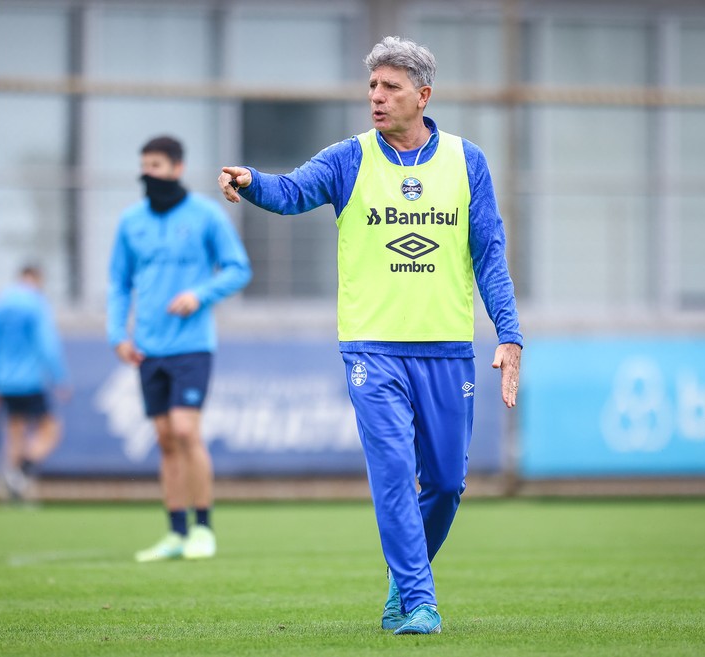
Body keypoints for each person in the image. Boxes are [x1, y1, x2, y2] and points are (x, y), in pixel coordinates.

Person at [218, 36, 523, 635]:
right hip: (371, 347)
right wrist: (253, 180)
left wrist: (508, 334)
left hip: (445, 348)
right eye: (372, 87)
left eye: (390, 88)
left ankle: (401, 580)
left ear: (423, 95)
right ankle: (419, 599)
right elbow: (292, 192)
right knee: (391, 471)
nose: (376, 98)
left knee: (444, 482)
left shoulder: (468, 161)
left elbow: (489, 254)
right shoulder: (348, 159)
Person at [108, 135, 252, 562]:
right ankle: (174, 532)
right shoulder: (130, 221)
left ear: (176, 168)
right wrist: (117, 334)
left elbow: (238, 269)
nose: (148, 173)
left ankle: (203, 528)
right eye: (144, 165)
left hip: (192, 344)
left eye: (156, 165)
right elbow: (118, 283)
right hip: (148, 345)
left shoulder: (206, 215)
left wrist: (200, 295)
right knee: (166, 438)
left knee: (187, 431)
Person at [0, 265, 70, 499]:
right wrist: (60, 377)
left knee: (15, 431)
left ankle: (13, 485)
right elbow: (47, 344)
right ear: (36, 279)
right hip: (30, 378)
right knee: (51, 429)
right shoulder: (36, 303)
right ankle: (24, 468)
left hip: (3, 380)